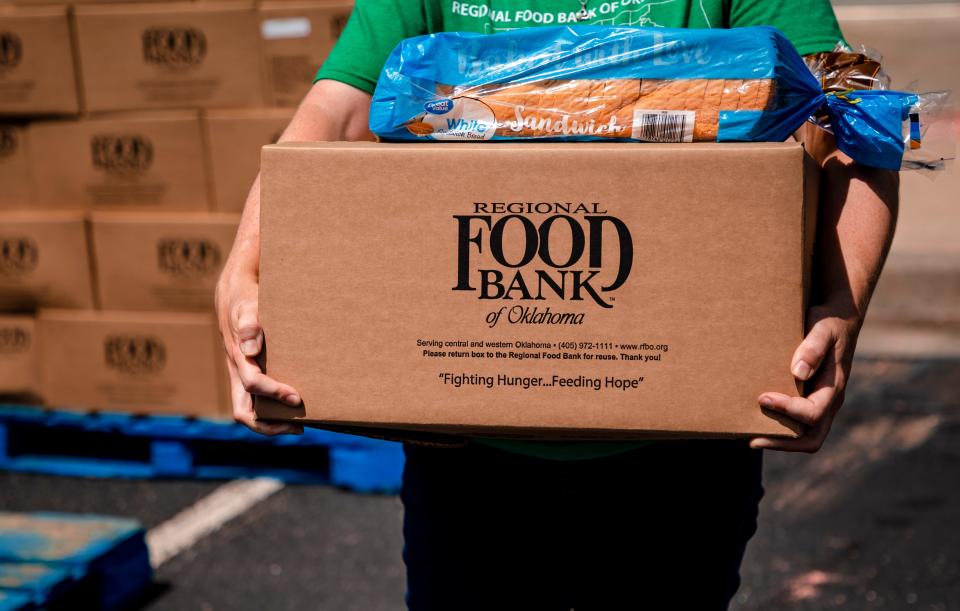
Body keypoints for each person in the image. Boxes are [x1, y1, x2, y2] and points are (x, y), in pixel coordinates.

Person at [215, 1, 900, 608]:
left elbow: (849, 117)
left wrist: (841, 306)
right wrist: (246, 268)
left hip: (682, 456)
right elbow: (331, 115)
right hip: (467, 449)